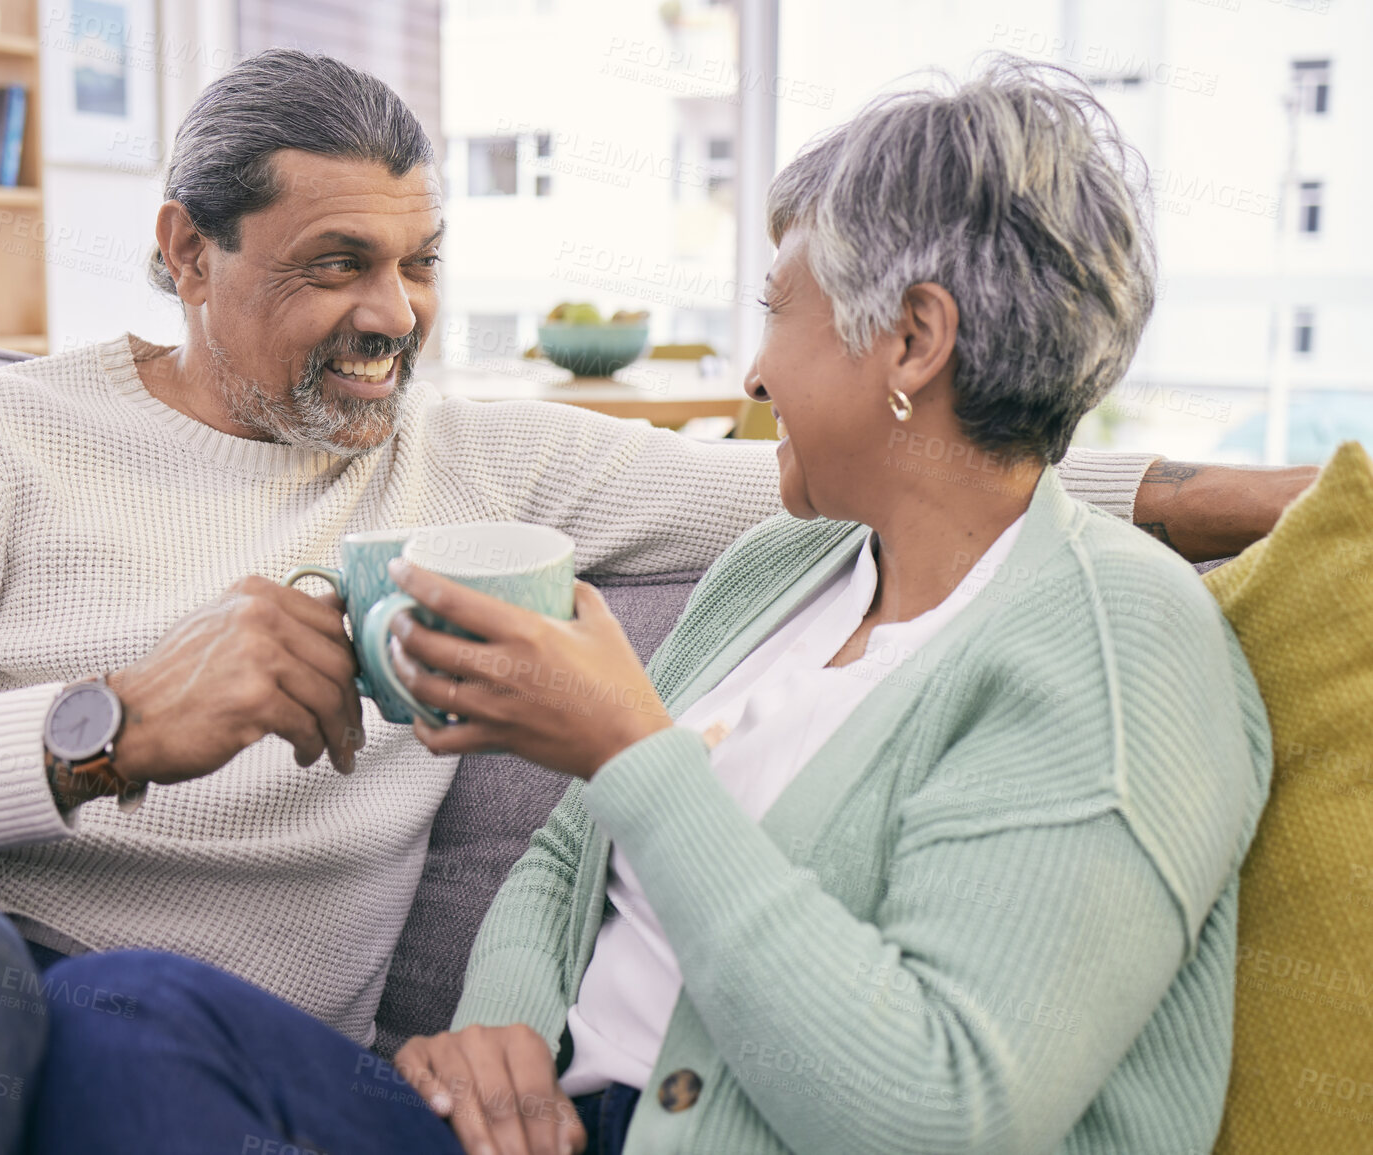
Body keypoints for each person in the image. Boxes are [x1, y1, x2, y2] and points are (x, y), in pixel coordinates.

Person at [0, 51, 1284, 1154]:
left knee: (119, 1023)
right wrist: (102, 732)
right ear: (182, 253)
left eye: (419, 265)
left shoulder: (484, 463)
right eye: (335, 264)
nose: (392, 320)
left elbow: (928, 489)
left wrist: (1261, 501)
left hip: (207, 1065)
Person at [383, 61, 1272, 1155]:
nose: (753, 375)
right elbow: (568, 857)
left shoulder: (1122, 645)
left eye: (776, 311)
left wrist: (634, 752)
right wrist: (500, 1042)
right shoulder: (779, 569)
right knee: (125, 1013)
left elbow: (941, 1110)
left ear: (911, 340)